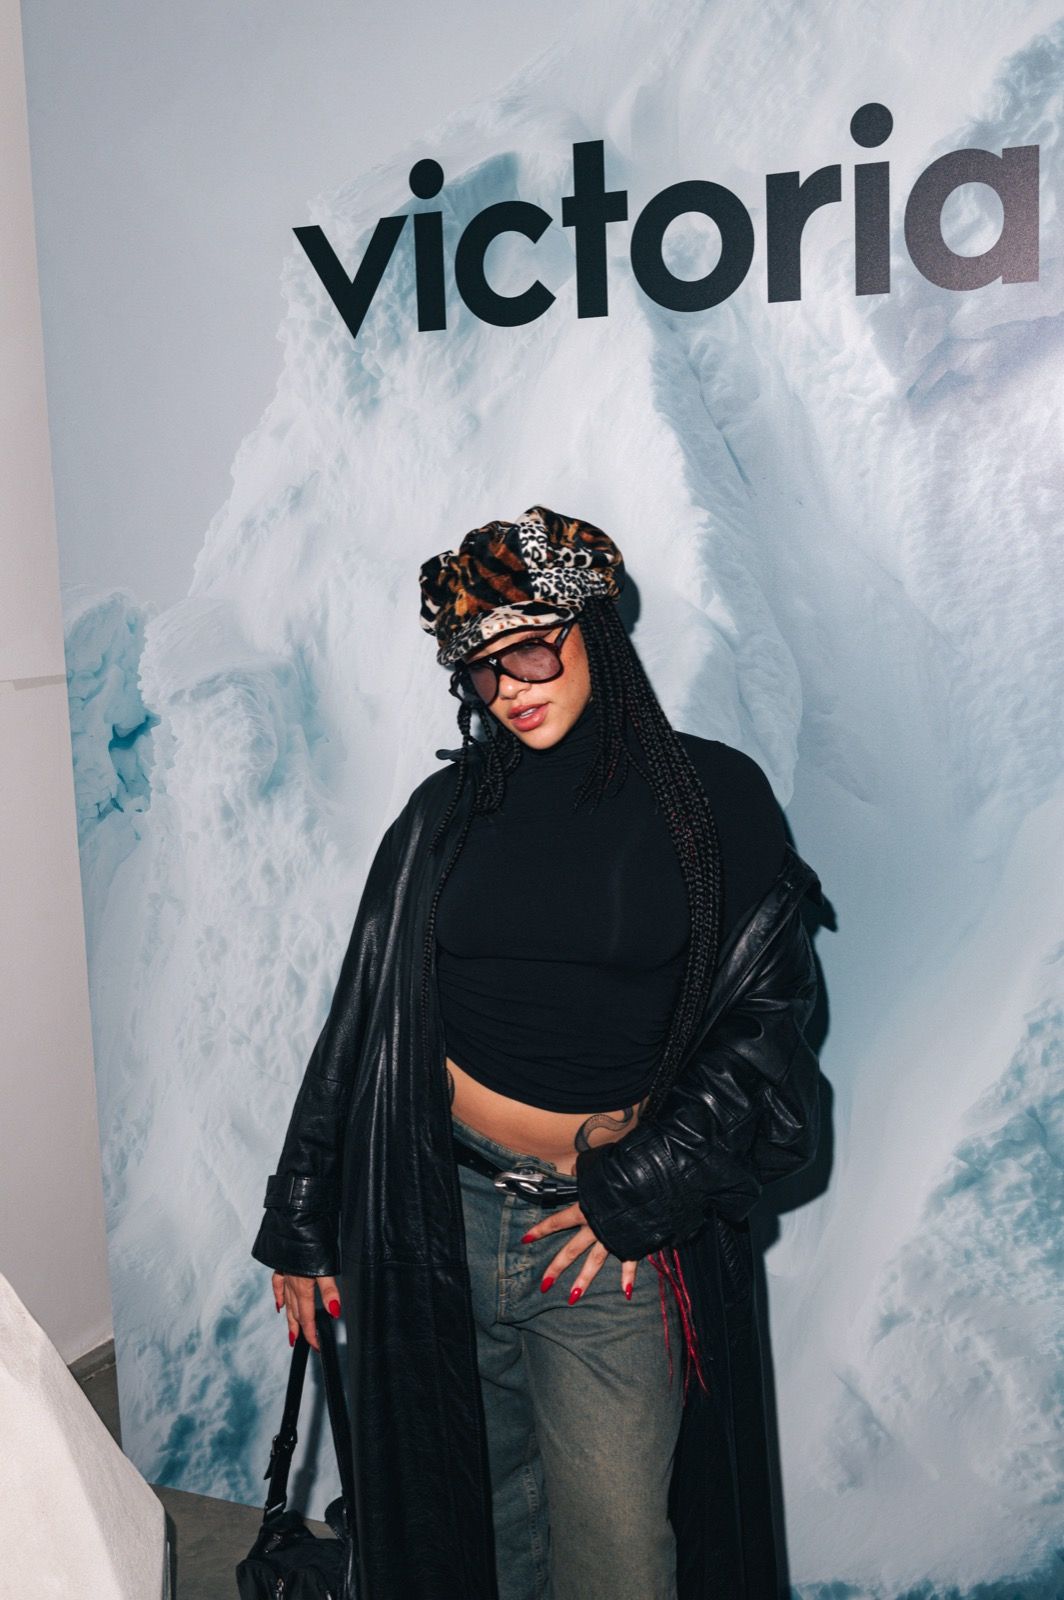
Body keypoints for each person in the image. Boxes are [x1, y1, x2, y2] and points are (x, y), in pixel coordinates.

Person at [250, 504, 825, 1600]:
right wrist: (303, 1216)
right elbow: (362, 1022)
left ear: (592, 630)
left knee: (617, 1558)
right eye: (479, 664)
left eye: (529, 647)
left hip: (603, 1242)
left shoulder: (711, 799)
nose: (508, 683)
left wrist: (639, 1190)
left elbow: (767, 1030)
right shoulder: (444, 812)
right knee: (477, 1533)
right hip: (434, 1214)